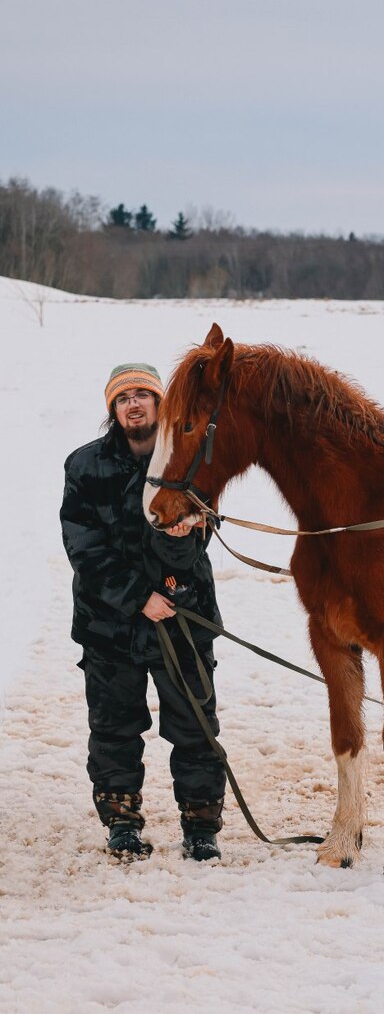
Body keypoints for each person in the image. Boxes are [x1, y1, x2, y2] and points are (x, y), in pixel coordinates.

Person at [60, 364, 226, 862]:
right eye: (123, 397)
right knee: (114, 727)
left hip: (183, 616)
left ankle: (201, 826)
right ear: (112, 409)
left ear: (160, 404)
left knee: (195, 726)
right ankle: (122, 821)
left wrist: (182, 540)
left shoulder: (187, 459)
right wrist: (137, 598)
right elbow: (82, 546)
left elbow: (194, 544)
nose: (134, 403)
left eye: (144, 395)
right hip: (108, 624)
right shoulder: (85, 466)